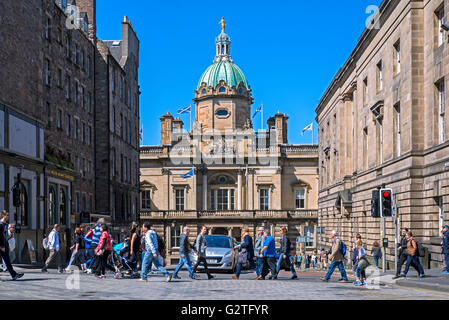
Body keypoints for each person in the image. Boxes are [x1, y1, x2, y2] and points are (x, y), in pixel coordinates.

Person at [0, 211, 23, 280]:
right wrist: (1, 246)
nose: (8, 216)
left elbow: (5, 236)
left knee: (7, 261)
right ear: (3, 215)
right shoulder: (0, 224)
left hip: (5, 245)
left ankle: (14, 275)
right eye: (7, 215)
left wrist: (7, 245)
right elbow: (0, 236)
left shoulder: (6, 224)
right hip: (1, 245)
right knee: (6, 260)